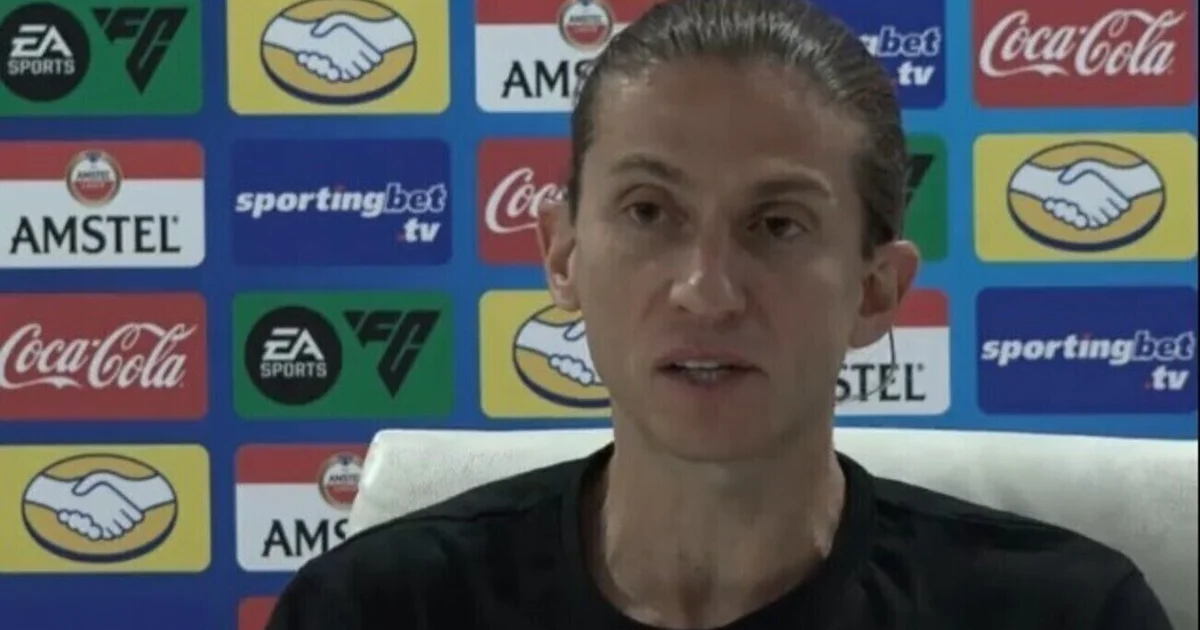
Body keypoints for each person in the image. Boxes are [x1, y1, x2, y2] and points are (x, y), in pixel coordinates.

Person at [265, 1, 1175, 628]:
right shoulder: (376, 610)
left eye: (777, 225)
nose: (706, 289)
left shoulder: (1065, 615)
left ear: (875, 293)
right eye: (649, 213)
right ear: (562, 254)